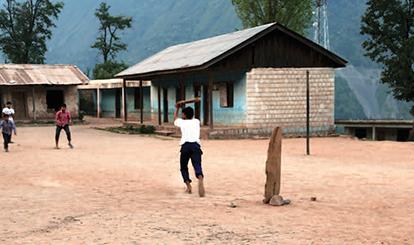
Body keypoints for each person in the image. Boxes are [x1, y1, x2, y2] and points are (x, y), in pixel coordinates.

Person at [174, 100, 205, 197]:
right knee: (197, 164)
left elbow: (175, 119)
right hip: (196, 146)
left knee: (183, 166)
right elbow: (190, 115)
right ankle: (200, 176)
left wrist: (177, 108)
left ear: (184, 115)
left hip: (186, 146)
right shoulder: (197, 122)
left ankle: (188, 186)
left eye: (183, 114)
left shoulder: (182, 123)